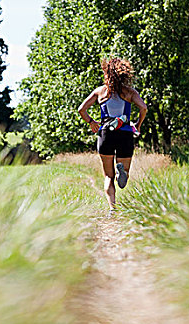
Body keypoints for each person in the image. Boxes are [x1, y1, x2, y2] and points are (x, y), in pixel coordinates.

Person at [78, 57, 147, 211]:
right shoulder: (130, 92)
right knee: (125, 173)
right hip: (125, 134)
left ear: (107, 73)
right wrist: (137, 124)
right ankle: (121, 171)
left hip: (105, 134)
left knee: (107, 176)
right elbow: (143, 108)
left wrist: (91, 122)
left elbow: (81, 109)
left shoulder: (100, 91)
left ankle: (112, 209)